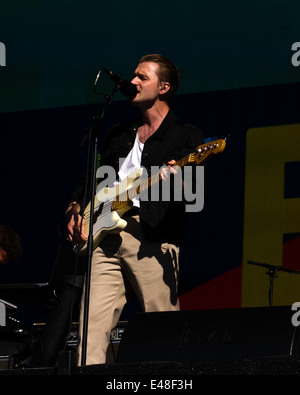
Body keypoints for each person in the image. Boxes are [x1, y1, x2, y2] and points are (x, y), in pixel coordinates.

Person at [66, 54, 205, 365]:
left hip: (151, 236)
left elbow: (193, 195)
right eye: (134, 76)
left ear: (164, 87)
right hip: (104, 238)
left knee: (163, 326)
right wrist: (76, 208)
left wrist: (178, 180)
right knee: (90, 331)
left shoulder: (186, 136)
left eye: (142, 77)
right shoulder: (119, 133)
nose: (133, 82)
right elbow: (92, 179)